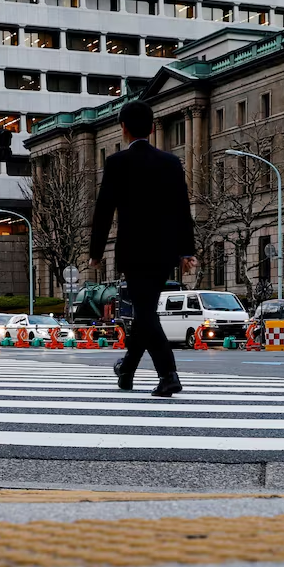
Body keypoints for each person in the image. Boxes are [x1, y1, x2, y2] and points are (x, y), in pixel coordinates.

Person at [88, 100, 197, 397]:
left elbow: (104, 210)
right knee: (145, 311)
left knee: (145, 312)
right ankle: (127, 368)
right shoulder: (171, 162)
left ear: (123, 128)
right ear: (151, 128)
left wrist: (96, 252)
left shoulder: (117, 162)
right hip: (165, 251)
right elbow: (181, 210)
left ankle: (168, 373)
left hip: (133, 250)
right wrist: (187, 251)